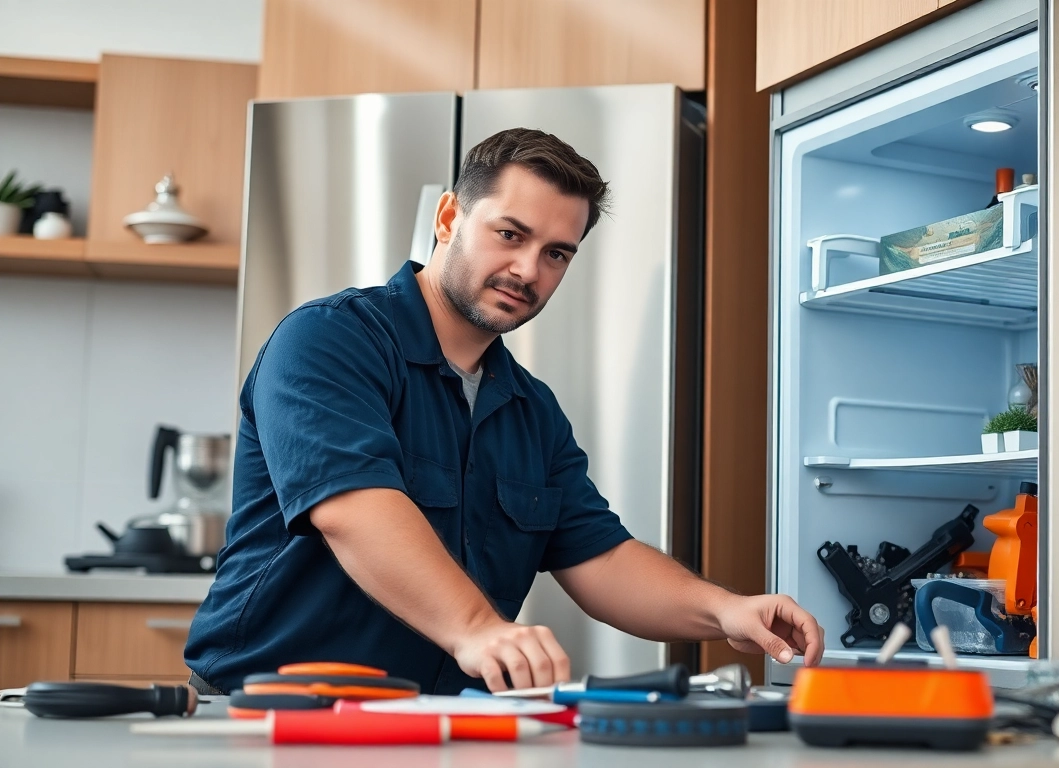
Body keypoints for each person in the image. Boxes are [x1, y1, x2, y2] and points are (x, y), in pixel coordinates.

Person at [184, 128, 823, 694]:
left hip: (435, 723)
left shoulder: (531, 410)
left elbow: (601, 558)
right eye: (511, 234)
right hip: (267, 712)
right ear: (448, 218)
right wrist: (476, 628)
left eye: (556, 253)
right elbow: (354, 509)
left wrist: (725, 610)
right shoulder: (330, 339)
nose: (527, 270)